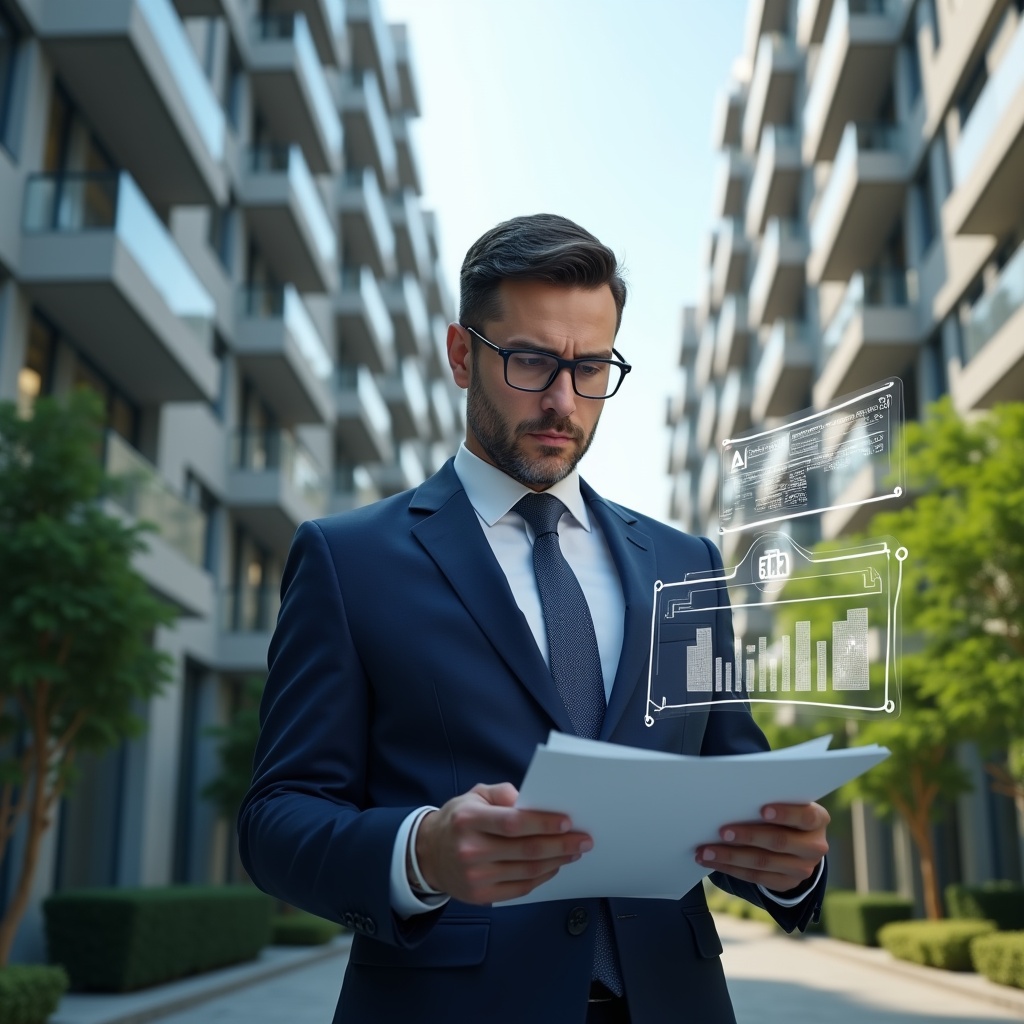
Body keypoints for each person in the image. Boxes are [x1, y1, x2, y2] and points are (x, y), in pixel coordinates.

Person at [238, 214, 829, 1024]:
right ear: (461, 354)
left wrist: (783, 865)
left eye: (591, 368)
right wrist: (421, 853)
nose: (563, 401)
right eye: (530, 361)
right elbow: (277, 819)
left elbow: (727, 778)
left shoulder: (684, 562)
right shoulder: (349, 560)